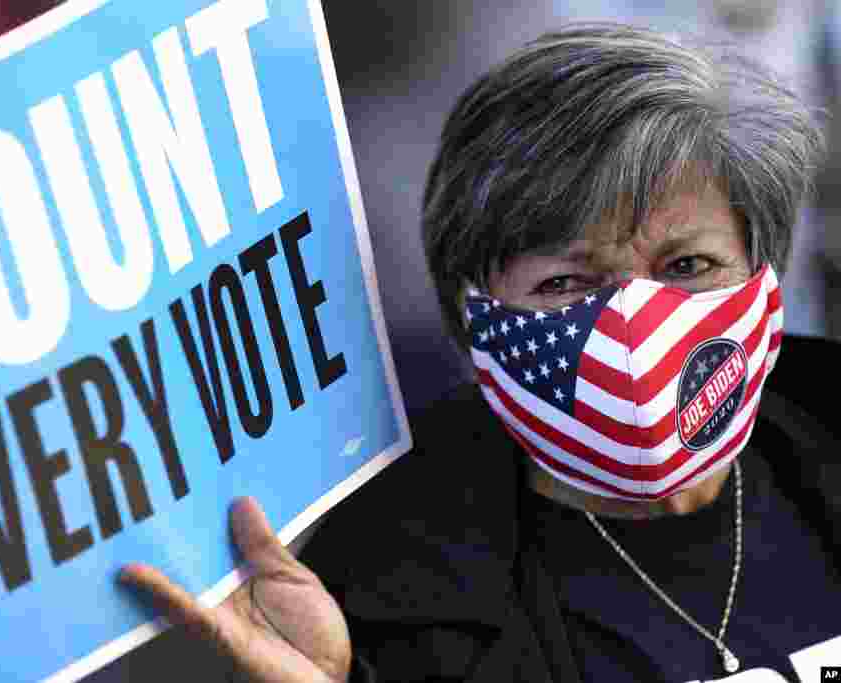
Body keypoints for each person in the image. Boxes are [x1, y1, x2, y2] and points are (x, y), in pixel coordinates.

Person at [120, 24, 841, 682]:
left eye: (687, 265)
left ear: (762, 273)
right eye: (566, 281)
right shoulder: (389, 601)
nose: (635, 321)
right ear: (475, 319)